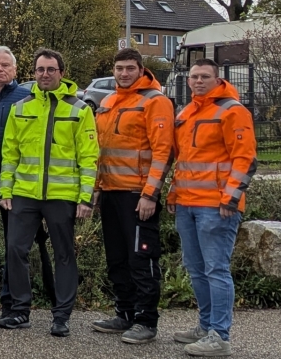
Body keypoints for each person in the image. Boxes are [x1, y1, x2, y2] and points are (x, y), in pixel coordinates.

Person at [0, 48, 98, 337]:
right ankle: (19, 311)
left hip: (61, 196)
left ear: (61, 73)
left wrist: (85, 197)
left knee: (64, 254)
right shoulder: (21, 108)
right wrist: (6, 190)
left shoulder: (80, 110)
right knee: (15, 249)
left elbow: (89, 158)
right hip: (24, 194)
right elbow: (10, 154)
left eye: (50, 69)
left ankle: (62, 316)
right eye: (40, 69)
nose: (44, 74)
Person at [168, 58, 257, 357]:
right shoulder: (188, 112)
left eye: (205, 76)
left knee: (216, 270)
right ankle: (206, 326)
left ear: (218, 79)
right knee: (196, 269)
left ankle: (220, 335)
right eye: (194, 76)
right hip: (187, 204)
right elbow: (183, 161)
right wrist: (173, 194)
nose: (198, 81)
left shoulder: (233, 110)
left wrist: (230, 199)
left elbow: (245, 159)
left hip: (216, 207)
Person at [91, 48, 174, 344]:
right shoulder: (109, 101)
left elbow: (163, 151)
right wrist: (97, 189)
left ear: (141, 69)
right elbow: (101, 151)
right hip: (112, 193)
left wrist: (151, 194)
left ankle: (146, 320)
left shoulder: (155, 101)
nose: (124, 73)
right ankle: (124, 313)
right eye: (119, 68)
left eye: (129, 68)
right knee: (117, 259)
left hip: (138, 194)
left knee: (141, 258)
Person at [0, 45, 55, 318]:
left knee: (14, 245)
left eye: (5, 65)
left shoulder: (29, 97)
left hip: (17, 185)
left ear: (15, 70)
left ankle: (11, 303)